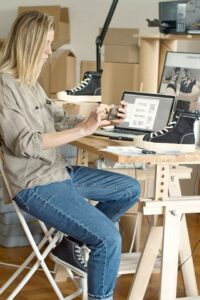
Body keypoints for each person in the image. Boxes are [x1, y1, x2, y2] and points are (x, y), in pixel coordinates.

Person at [0, 11, 140, 300]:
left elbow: (59, 119)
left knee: (129, 188)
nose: (49, 52)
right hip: (34, 185)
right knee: (107, 238)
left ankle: (70, 242)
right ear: (29, 44)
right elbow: (25, 143)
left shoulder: (31, 84)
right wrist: (82, 131)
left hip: (59, 174)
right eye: (46, 44)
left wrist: (99, 120)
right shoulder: (4, 86)